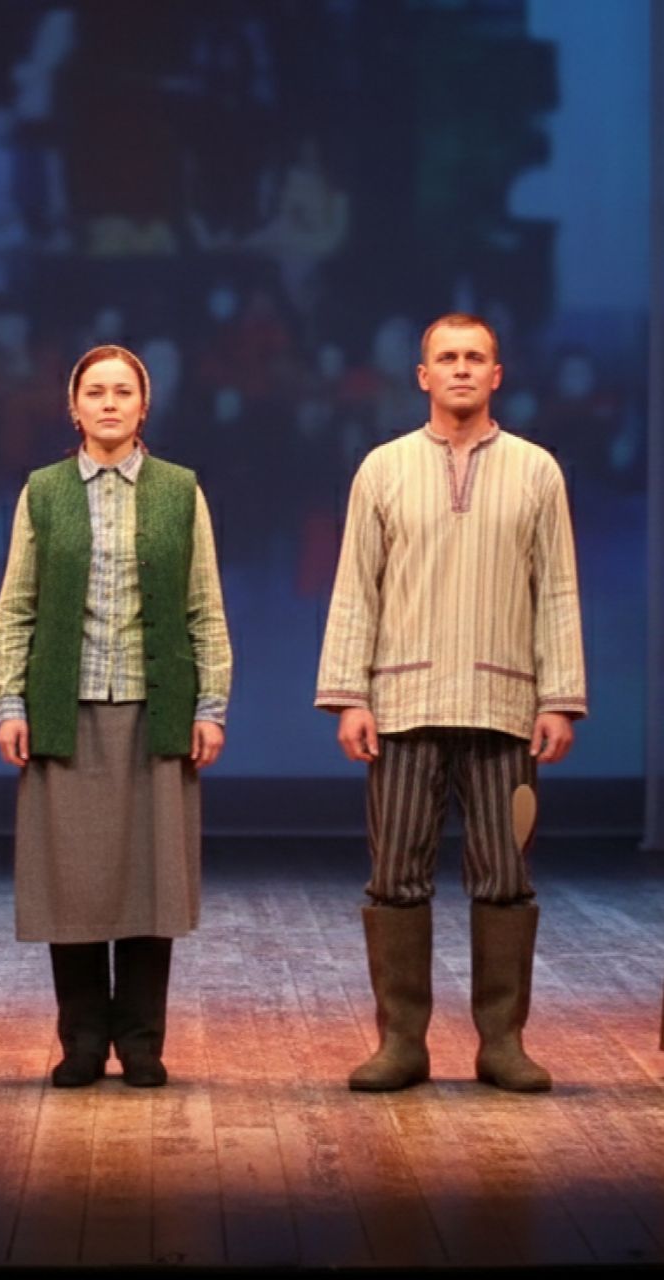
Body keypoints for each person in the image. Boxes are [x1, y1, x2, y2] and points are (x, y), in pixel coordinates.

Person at [314, 313, 587, 1094]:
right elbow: (355, 590)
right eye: (446, 357)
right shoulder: (384, 469)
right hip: (404, 706)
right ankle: (401, 1042)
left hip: (504, 708)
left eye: (474, 357)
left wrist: (559, 698)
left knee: (504, 876)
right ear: (422, 375)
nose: (460, 368)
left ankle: (501, 1042)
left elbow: (556, 592)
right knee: (395, 875)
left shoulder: (535, 471)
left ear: (496, 374)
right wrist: (349, 697)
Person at [0, 344, 232, 1088]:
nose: (108, 403)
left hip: (155, 714)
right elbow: (17, 606)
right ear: (74, 407)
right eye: (94, 391)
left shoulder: (178, 490)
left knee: (151, 880)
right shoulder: (44, 491)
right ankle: (83, 1040)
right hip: (65, 715)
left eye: (122, 391)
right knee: (73, 884)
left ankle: (142, 1040)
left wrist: (211, 706)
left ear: (143, 406)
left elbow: (204, 606)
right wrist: (10, 703)